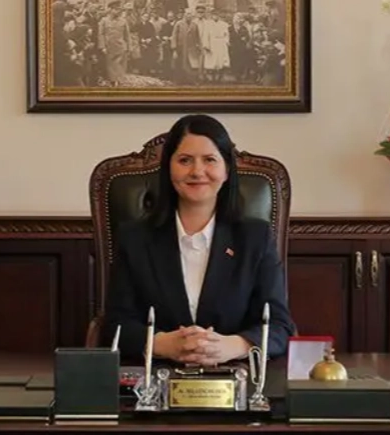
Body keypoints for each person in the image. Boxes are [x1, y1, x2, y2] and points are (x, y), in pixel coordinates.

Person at [102, 114, 296, 366]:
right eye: (184, 160)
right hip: (157, 378)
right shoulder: (135, 238)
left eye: (209, 160)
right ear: (168, 168)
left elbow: (280, 326)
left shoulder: (254, 238)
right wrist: (163, 344)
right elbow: (115, 326)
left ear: (226, 170)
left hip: (235, 377)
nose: (197, 171)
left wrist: (234, 345)